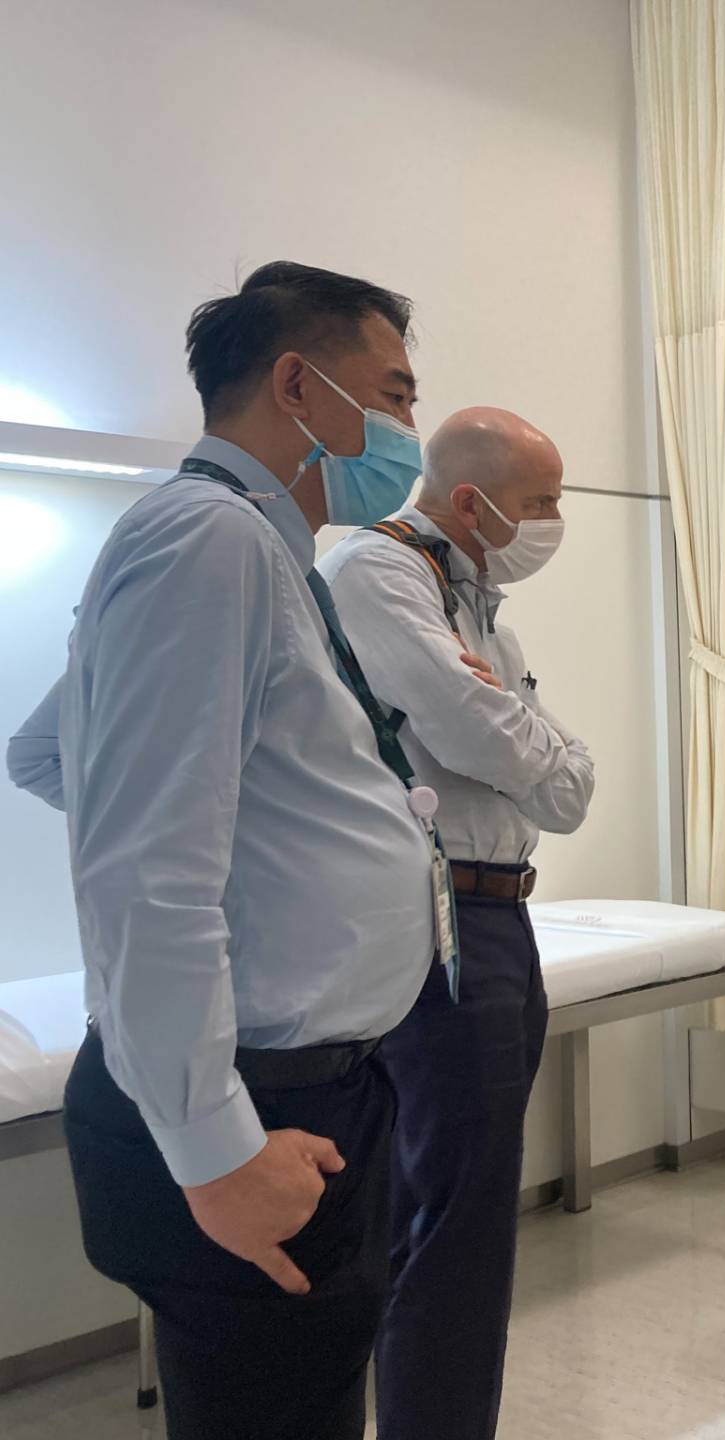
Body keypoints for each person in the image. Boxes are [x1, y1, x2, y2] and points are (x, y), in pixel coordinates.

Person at [3, 261, 462, 1439]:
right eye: (394, 395)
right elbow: (148, 869)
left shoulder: (254, 549)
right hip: (251, 1104)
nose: (408, 431)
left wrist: (266, 849)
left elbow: (51, 756)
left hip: (297, 1085)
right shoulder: (209, 542)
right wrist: (215, 1152)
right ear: (298, 387)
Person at [317, 406, 593, 1440]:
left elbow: (565, 783)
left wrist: (517, 734)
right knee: (456, 1225)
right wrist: (518, 734)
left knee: (461, 1209)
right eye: (542, 502)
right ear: (473, 503)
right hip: (437, 921)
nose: (553, 521)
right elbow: (481, 733)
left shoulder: (482, 612)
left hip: (499, 916)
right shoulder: (374, 573)